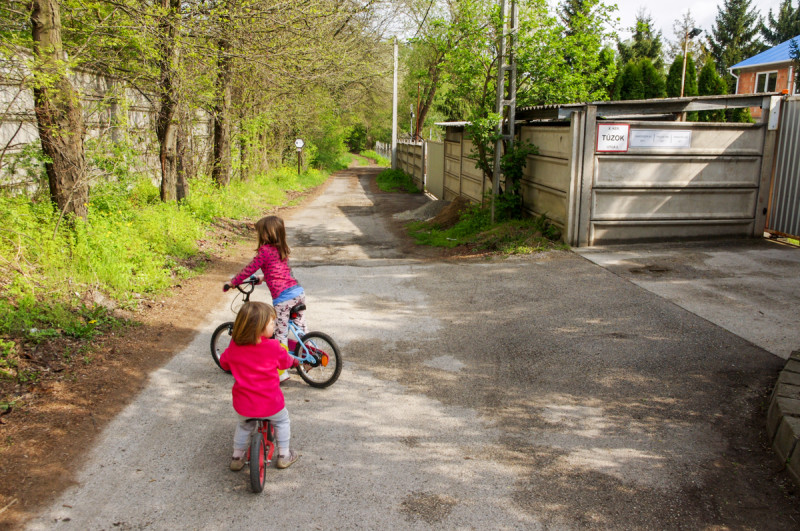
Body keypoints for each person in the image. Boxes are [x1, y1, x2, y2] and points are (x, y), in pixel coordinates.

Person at [218, 301, 300, 471]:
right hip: (271, 403)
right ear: (259, 327)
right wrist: (294, 362)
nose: (275, 325)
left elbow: (224, 363)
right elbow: (286, 361)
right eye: (271, 323)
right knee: (283, 421)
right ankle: (284, 455)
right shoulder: (273, 347)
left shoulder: (234, 346)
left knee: (244, 425)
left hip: (244, 404)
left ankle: (237, 456)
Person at [227, 215, 307, 382]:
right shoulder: (282, 249)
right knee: (301, 330)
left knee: (280, 334)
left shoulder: (264, 252)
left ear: (266, 234)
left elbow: (248, 269)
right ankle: (310, 354)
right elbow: (279, 271)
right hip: (298, 293)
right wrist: (264, 278)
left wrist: (234, 282)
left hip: (283, 299)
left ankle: (282, 372)